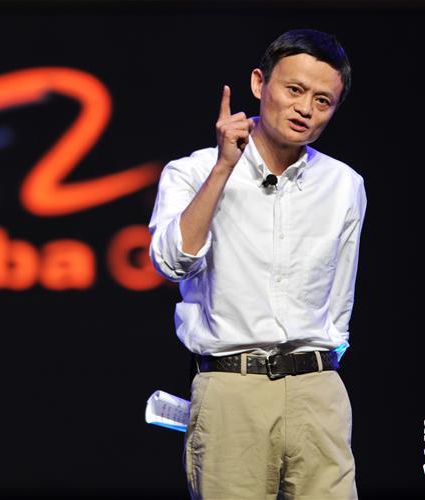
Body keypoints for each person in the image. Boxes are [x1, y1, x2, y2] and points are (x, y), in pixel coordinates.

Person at [147, 29, 366, 500]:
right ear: (258, 84)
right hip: (232, 387)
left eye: (323, 101)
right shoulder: (192, 171)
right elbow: (171, 262)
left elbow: (340, 298)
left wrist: (324, 368)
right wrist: (224, 167)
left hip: (318, 390)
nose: (305, 109)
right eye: (294, 90)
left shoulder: (344, 184)